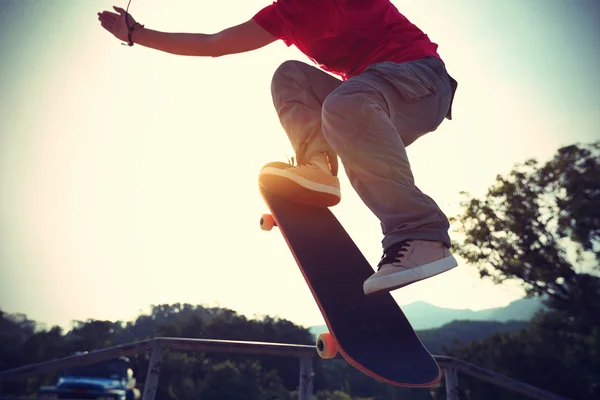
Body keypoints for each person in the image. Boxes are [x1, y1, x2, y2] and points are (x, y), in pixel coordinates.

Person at [98, 0, 459, 295]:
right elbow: (213, 44)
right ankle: (319, 167)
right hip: (370, 105)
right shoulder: (284, 14)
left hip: (421, 83)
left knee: (345, 103)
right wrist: (135, 34)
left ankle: (420, 232)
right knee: (291, 75)